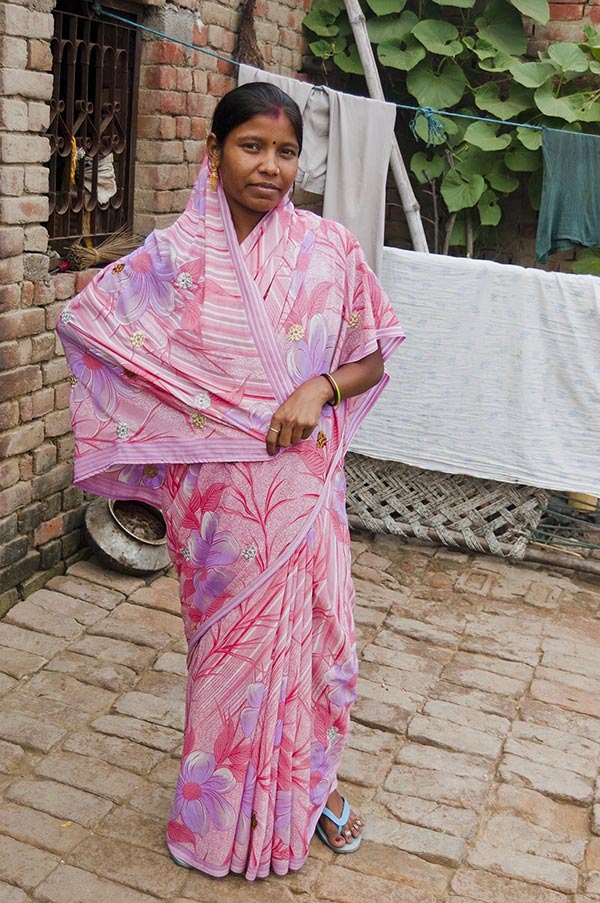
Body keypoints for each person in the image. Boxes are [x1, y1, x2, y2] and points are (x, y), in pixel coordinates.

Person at [57, 82, 405, 880]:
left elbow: (373, 354)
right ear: (214, 153)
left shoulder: (329, 250)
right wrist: (193, 416)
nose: (271, 166)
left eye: (285, 152)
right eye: (252, 146)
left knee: (322, 647)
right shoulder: (173, 262)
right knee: (231, 659)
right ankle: (219, 814)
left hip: (305, 492)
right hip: (220, 508)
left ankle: (309, 789)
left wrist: (317, 388)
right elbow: (92, 325)